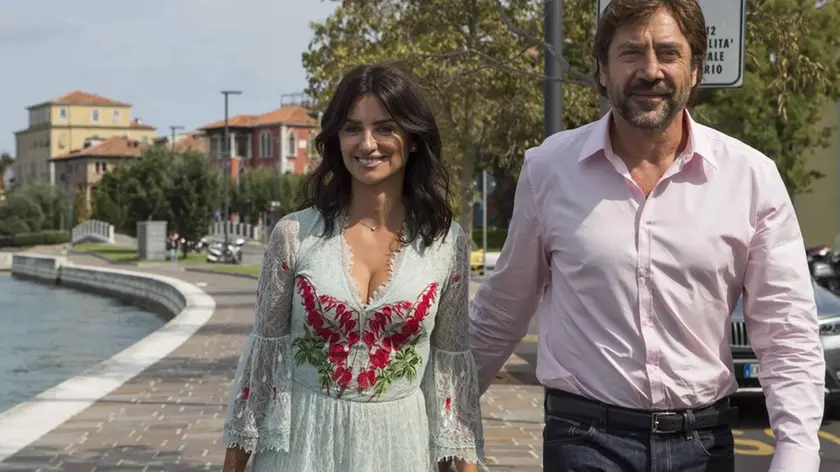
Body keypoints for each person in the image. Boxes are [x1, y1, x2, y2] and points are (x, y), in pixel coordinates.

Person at [468, 1, 825, 471]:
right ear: (601, 70)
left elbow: (787, 333)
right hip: (584, 441)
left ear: (695, 69)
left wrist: (797, 452)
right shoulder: (549, 170)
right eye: (631, 53)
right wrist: (443, 419)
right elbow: (501, 312)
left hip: (703, 445)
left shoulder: (751, 178)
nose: (651, 70)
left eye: (669, 53)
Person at [221, 63, 484, 472]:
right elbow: (262, 365)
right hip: (300, 450)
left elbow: (449, 379)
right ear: (334, 140)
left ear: (412, 138)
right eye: (351, 128)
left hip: (400, 451)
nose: (367, 143)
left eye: (384, 127)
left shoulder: (446, 244)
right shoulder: (293, 235)